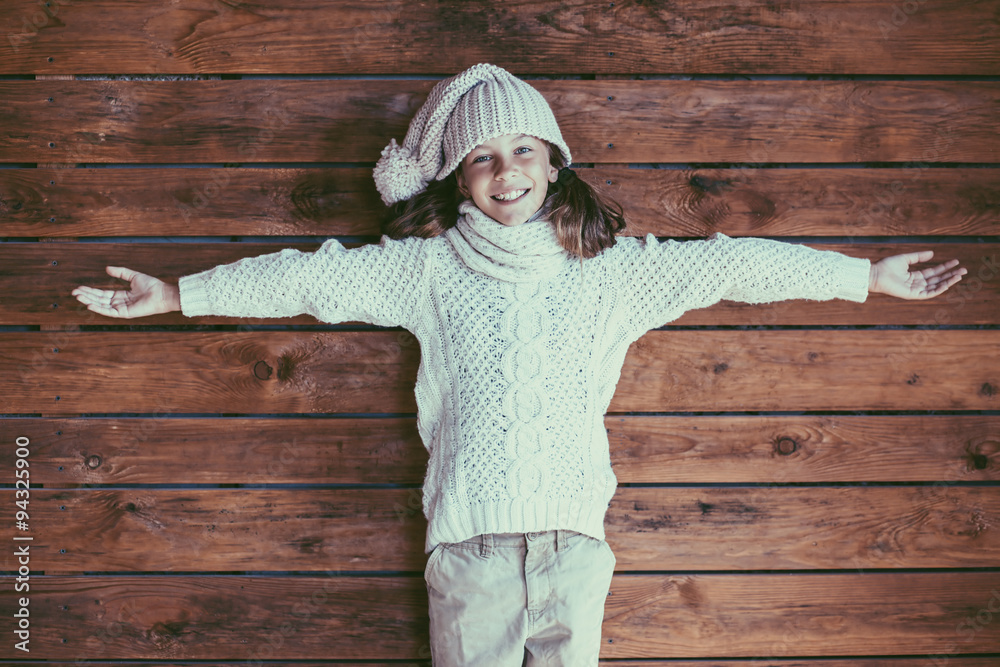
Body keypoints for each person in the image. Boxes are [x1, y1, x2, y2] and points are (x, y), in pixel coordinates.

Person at [71, 63, 966, 666]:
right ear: (460, 179)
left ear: (554, 164)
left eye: (524, 152)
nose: (507, 172)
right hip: (472, 549)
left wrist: (866, 278)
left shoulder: (616, 273)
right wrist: (175, 293)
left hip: (577, 544)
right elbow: (309, 279)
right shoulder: (425, 270)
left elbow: (737, 263)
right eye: (484, 158)